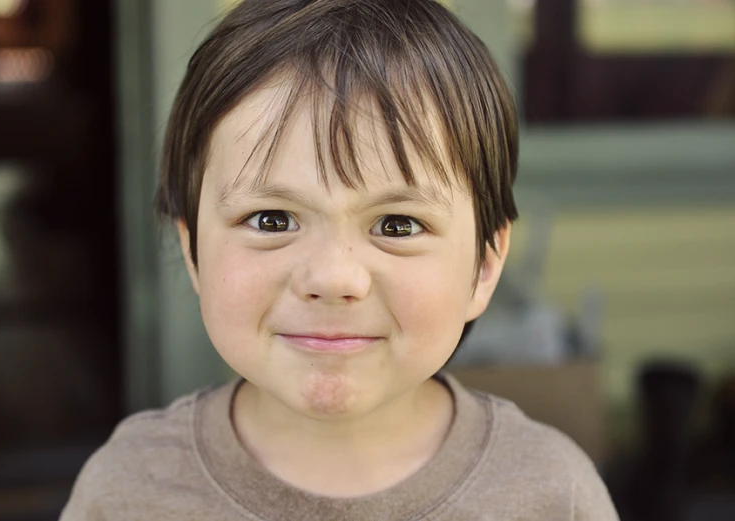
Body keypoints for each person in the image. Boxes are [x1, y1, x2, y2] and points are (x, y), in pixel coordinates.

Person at [61, 0, 619, 519]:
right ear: (193, 252)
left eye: (398, 225)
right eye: (272, 220)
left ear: (485, 265)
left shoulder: (551, 496)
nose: (333, 277)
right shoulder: (128, 492)